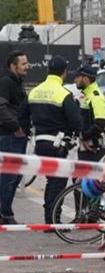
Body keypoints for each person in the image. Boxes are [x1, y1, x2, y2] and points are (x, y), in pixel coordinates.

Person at [28, 56, 84, 224]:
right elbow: (77, 123)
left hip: (40, 144)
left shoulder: (34, 91)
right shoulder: (63, 94)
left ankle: (49, 220)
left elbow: (22, 115)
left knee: (51, 181)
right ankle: (53, 221)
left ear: (48, 71)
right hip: (58, 146)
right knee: (58, 183)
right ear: (64, 72)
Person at [0, 51, 30, 225]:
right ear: (13, 66)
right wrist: (16, 127)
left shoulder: (17, 83)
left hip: (18, 137)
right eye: (24, 63)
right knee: (9, 177)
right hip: (10, 136)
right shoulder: (6, 83)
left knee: (15, 177)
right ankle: (6, 214)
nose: (27, 66)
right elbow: (1, 108)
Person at [74, 65, 105, 162]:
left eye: (77, 77)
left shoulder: (95, 97)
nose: (75, 80)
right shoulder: (86, 95)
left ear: (86, 79)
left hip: (92, 150)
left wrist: (83, 136)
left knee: (82, 177)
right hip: (85, 148)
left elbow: (99, 124)